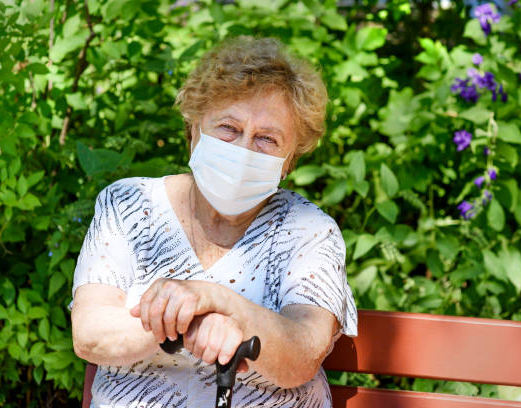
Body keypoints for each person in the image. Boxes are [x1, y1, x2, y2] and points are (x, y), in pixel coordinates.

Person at [70, 36, 357, 408]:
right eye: (228, 128)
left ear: (288, 162)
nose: (242, 149)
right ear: (193, 131)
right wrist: (190, 325)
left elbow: (302, 355)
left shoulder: (309, 232)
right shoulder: (128, 205)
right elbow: (90, 333)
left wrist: (220, 301)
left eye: (267, 139)